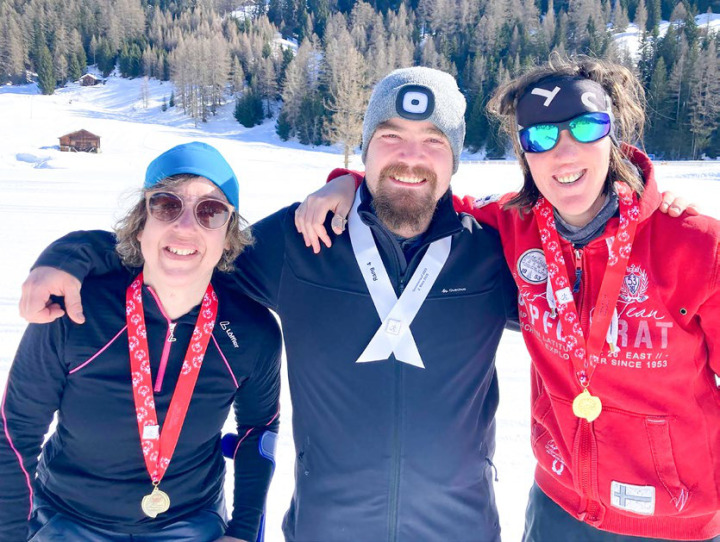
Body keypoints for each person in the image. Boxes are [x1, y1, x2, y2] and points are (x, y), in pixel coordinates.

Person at [17, 68, 518, 541]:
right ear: (366, 147)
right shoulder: (300, 239)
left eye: (433, 140)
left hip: (461, 527)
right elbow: (186, 250)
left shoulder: (493, 253)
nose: (410, 157)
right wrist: (71, 254)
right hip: (327, 528)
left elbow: (572, 291)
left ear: (456, 155)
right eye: (390, 136)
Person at [295, 55, 720, 541]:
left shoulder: (696, 245)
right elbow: (421, 198)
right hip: (557, 509)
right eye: (539, 137)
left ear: (612, 135)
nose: (563, 154)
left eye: (584, 128)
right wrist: (346, 182)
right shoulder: (512, 227)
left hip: (677, 522)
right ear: (523, 153)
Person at [1, 142, 281, 542]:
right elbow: (15, 433)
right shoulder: (75, 309)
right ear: (140, 224)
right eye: (167, 205)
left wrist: (243, 532)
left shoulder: (252, 334)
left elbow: (259, 431)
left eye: (210, 211)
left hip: (191, 524)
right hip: (69, 520)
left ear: (228, 237)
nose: (186, 227)